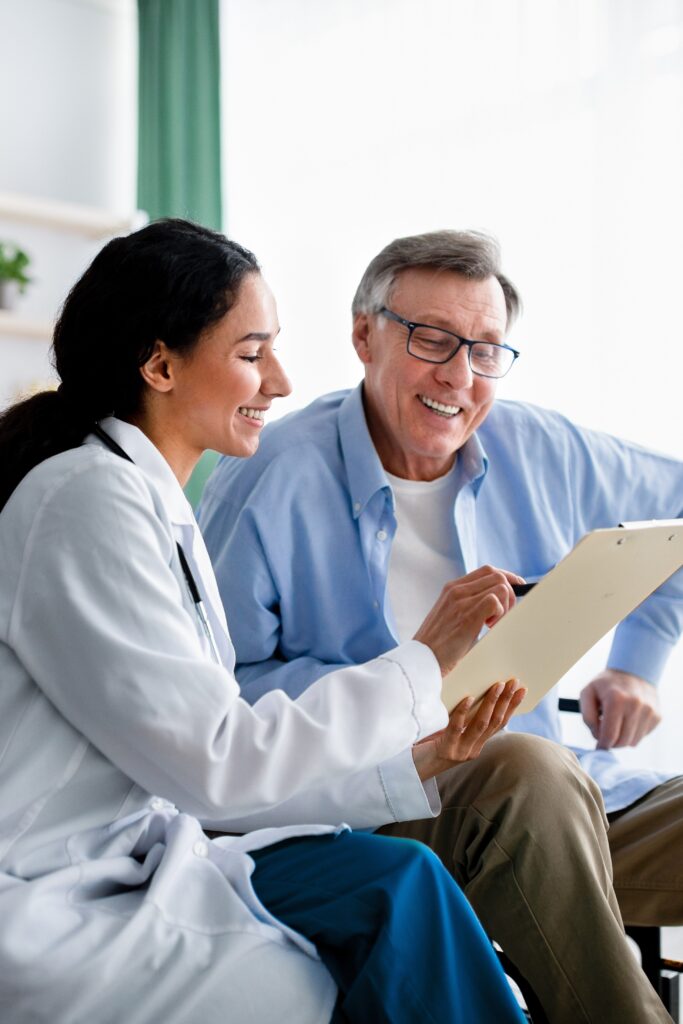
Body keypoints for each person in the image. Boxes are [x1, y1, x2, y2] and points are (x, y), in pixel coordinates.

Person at [0, 219, 534, 1024]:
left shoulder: (148, 503)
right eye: (253, 354)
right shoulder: (85, 499)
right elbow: (215, 765)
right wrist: (422, 660)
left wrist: (412, 763)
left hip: (142, 854)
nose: (280, 382)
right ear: (159, 365)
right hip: (54, 887)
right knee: (375, 920)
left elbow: (201, 773)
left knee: (400, 881)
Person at [199, 229, 683, 1023]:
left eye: (485, 349)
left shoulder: (539, 446)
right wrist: (410, 683)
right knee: (525, 770)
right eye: (431, 339)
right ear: (364, 337)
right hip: (381, 799)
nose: (458, 375)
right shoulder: (271, 473)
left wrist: (636, 662)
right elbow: (221, 698)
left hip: (559, 805)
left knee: (541, 777)